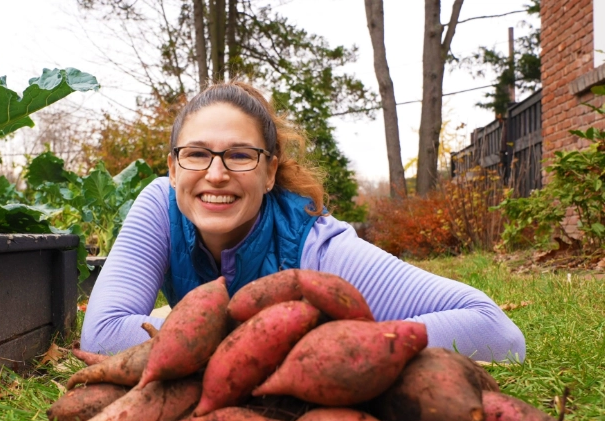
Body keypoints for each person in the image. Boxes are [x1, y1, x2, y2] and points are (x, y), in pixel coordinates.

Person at [80, 81, 526, 363]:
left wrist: (330, 346)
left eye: (240, 155)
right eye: (196, 154)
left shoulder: (315, 247)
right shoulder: (161, 205)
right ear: (174, 168)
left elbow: (495, 330)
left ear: (270, 171)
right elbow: (100, 338)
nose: (215, 174)